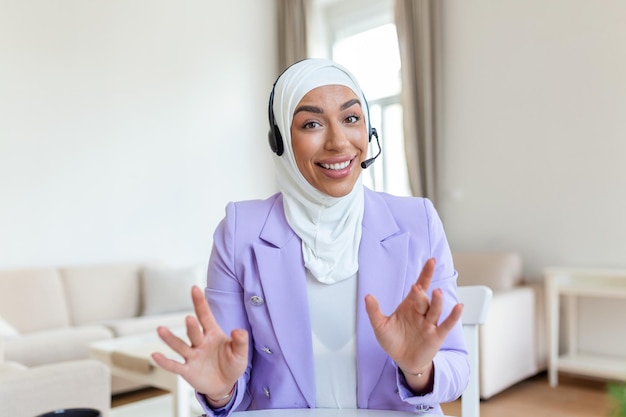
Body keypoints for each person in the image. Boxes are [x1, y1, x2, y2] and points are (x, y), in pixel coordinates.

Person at [152, 58, 469, 416]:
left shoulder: (417, 221)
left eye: (351, 119)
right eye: (312, 123)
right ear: (281, 141)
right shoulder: (240, 230)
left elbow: (457, 366)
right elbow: (230, 380)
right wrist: (221, 391)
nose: (338, 142)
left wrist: (418, 369)